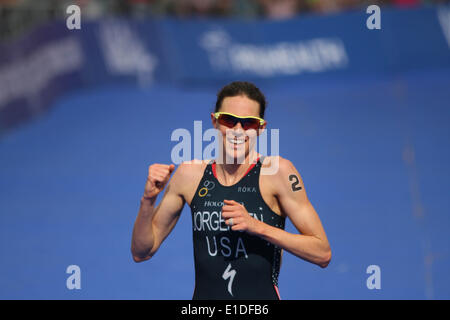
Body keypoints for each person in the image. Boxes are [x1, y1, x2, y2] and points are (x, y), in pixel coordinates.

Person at [131, 81, 331, 300]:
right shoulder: (189, 175)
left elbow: (322, 252)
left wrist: (257, 226)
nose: (237, 130)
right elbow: (141, 252)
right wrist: (148, 200)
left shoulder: (279, 173)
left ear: (261, 129)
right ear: (215, 121)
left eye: (249, 124)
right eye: (229, 120)